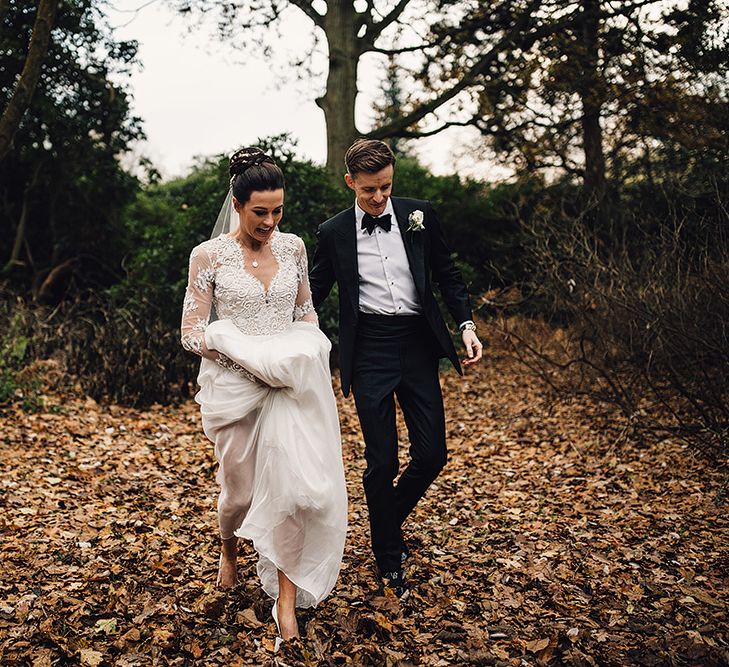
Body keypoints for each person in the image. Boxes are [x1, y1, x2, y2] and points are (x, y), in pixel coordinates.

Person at [180, 148, 347, 642]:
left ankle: (286, 603)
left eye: (277, 211)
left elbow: (306, 313)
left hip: (290, 387)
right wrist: (249, 361)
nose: (270, 222)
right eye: (260, 212)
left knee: (296, 492)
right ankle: (229, 545)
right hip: (236, 389)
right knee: (240, 494)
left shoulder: (294, 248)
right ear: (236, 204)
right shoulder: (208, 256)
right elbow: (192, 332)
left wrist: (306, 351)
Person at [310, 139, 483, 597]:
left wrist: (465, 324)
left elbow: (448, 273)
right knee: (381, 460)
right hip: (369, 349)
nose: (379, 197)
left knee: (433, 454)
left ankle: (384, 523)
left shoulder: (418, 213)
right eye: (369, 190)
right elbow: (313, 291)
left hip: (417, 344)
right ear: (350, 182)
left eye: (386, 187)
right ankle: (388, 556)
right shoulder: (334, 232)